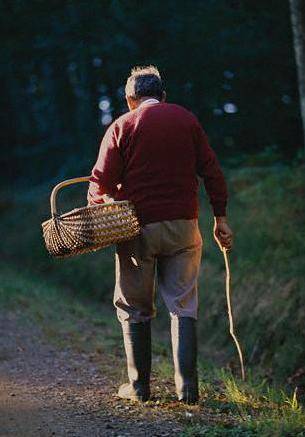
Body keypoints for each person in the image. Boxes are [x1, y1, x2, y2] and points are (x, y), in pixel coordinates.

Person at [87, 65, 233, 404]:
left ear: (130, 100)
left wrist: (103, 204)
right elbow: (212, 172)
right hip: (185, 225)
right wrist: (221, 217)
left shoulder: (123, 125)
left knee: (135, 305)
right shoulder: (187, 120)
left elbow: (101, 183)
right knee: (183, 304)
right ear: (163, 96)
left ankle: (139, 388)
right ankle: (188, 390)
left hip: (138, 227)